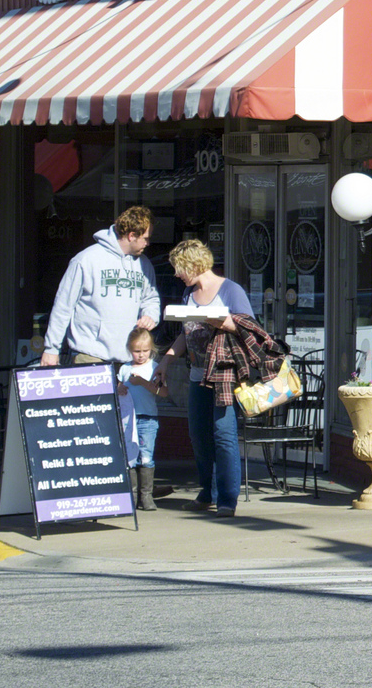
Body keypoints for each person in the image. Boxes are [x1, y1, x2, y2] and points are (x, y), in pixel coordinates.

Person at [158, 239, 257, 517]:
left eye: (179, 268)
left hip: (224, 374)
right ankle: (207, 492)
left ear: (193, 265)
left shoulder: (230, 290)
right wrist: (166, 360)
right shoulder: (188, 294)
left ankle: (227, 498)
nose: (177, 275)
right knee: (198, 435)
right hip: (197, 374)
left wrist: (221, 321)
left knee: (223, 435)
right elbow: (185, 333)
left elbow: (250, 327)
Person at [40, 206, 161, 367]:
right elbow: (63, 305)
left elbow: (151, 299)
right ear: (132, 236)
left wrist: (150, 315)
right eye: (145, 238)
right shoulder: (86, 260)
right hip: (90, 355)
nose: (148, 243)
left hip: (130, 357)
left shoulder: (144, 264)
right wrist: (51, 348)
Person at [120, 326, 166, 511]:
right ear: (129, 350)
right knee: (130, 457)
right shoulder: (124, 368)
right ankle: (131, 497)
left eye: (145, 351)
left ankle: (145, 496)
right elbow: (117, 390)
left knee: (146, 457)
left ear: (152, 350)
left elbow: (163, 392)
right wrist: (119, 389)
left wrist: (143, 382)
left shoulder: (155, 367)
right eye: (136, 351)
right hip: (128, 419)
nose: (141, 355)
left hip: (148, 419)